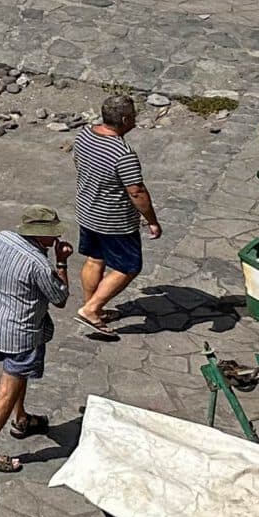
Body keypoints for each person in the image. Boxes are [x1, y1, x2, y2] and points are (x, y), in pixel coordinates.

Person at [0, 203, 70, 473]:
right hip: (21, 333)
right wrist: (61, 262)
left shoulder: (0, 239)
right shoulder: (38, 263)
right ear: (41, 235)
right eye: (53, 234)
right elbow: (60, 297)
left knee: (18, 379)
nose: (58, 239)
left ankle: (22, 418)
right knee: (8, 388)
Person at [73, 93, 160, 339]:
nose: (135, 119)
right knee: (129, 266)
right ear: (124, 119)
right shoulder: (123, 153)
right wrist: (152, 220)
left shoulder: (84, 136)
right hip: (114, 221)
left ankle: (92, 308)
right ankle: (91, 309)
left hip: (88, 211)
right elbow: (136, 191)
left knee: (94, 259)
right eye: (133, 116)